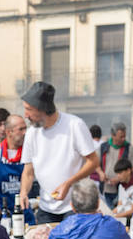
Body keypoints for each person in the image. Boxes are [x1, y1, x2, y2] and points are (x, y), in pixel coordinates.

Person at [20, 82, 98, 224]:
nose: (26, 115)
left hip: (74, 205)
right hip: (45, 208)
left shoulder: (75, 125)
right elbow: (28, 171)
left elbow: (93, 162)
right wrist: (23, 191)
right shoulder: (31, 133)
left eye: (29, 109)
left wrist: (68, 183)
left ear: (43, 109)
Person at [0, 114, 36, 225]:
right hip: (1, 214)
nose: (25, 132)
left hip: (25, 213)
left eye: (26, 128)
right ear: (9, 132)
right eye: (21, 129)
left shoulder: (29, 152)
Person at [99, 122, 130, 209]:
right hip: (106, 188)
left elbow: (132, 169)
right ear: (113, 135)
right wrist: (101, 173)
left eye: (124, 136)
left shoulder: (129, 148)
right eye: (121, 137)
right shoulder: (103, 147)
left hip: (122, 188)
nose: (123, 139)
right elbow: (96, 164)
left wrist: (119, 179)